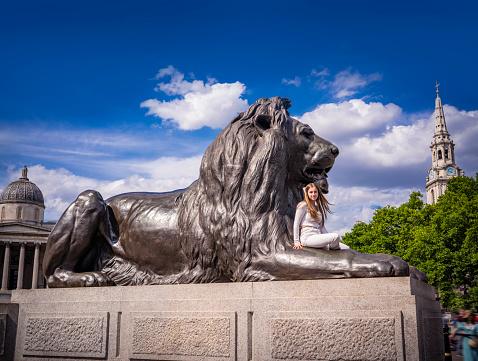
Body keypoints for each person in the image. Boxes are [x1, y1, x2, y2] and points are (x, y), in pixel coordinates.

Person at [293, 183, 349, 250]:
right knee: (335, 236)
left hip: (318, 236)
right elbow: (296, 224)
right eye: (311, 192)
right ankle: (333, 251)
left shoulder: (318, 208)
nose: (313, 194)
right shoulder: (303, 205)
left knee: (346, 247)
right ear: (307, 194)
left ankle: (332, 249)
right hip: (308, 237)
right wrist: (296, 242)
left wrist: (330, 242)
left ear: (318, 193)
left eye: (315, 192)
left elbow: (322, 227)